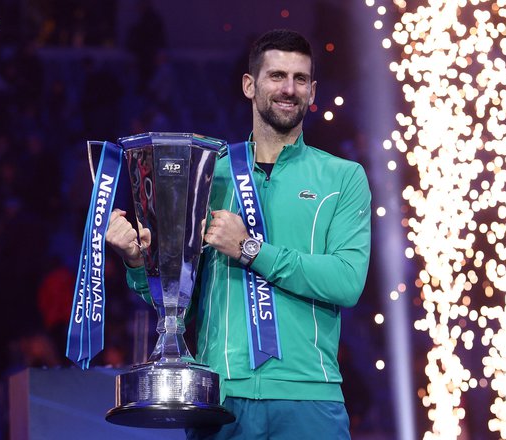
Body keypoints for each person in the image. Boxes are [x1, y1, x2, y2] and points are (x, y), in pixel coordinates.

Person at [106, 29, 371, 439]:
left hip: (309, 396)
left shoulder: (343, 177)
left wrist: (251, 249)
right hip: (222, 399)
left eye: (301, 79)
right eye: (277, 76)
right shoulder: (208, 171)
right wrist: (138, 263)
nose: (289, 89)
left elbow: (347, 281)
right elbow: (181, 304)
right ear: (250, 84)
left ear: (313, 90)